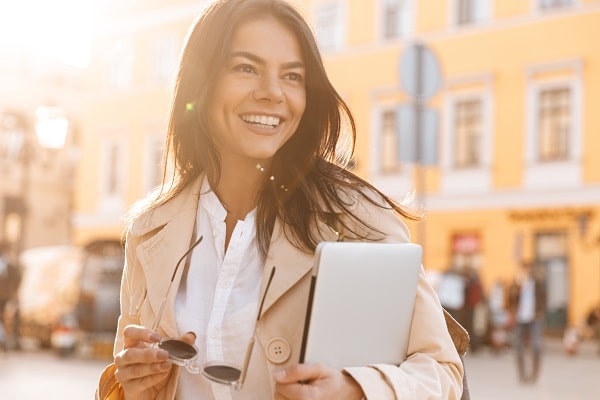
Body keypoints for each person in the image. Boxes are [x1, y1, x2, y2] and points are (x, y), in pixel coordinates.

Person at [96, 1, 468, 399]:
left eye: (292, 76)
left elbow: (442, 373)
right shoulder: (151, 230)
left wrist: (352, 390)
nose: (273, 93)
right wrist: (129, 384)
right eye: (246, 68)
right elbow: (128, 369)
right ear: (201, 82)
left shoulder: (359, 217)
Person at [508, 261, 547, 384]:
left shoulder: (537, 284)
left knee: (536, 346)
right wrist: (516, 287)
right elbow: (510, 299)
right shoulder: (516, 285)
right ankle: (522, 375)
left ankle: (534, 375)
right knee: (518, 347)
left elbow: (544, 299)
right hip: (520, 318)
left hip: (534, 318)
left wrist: (540, 312)